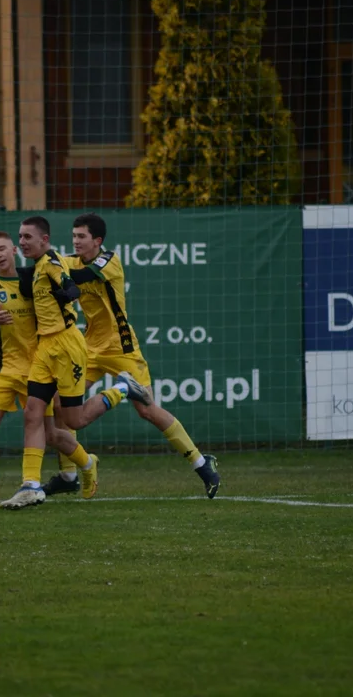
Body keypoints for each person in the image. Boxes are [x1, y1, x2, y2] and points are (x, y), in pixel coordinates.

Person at [44, 212, 222, 499]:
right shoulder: (69, 260)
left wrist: (53, 267)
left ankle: (203, 465)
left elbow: (78, 277)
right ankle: (69, 476)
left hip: (121, 345)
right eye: (74, 236)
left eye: (81, 237)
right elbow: (55, 273)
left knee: (148, 410)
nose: (75, 241)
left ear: (97, 241)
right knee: (58, 403)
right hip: (89, 347)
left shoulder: (108, 261)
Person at [0, 216, 152, 511]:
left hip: (68, 345)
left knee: (74, 421)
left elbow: (71, 287)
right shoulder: (37, 267)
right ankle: (30, 486)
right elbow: (22, 281)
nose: (22, 242)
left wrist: (67, 291)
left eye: (27, 237)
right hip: (45, 347)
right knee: (33, 413)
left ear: (44, 240)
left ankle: (121, 390)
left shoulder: (54, 262)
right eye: (19, 237)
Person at [0, 231, 101, 510]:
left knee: (52, 434)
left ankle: (85, 465)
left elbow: (63, 275)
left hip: (37, 368)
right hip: (0, 370)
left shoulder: (34, 278)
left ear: (13, 250)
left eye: (2, 249)